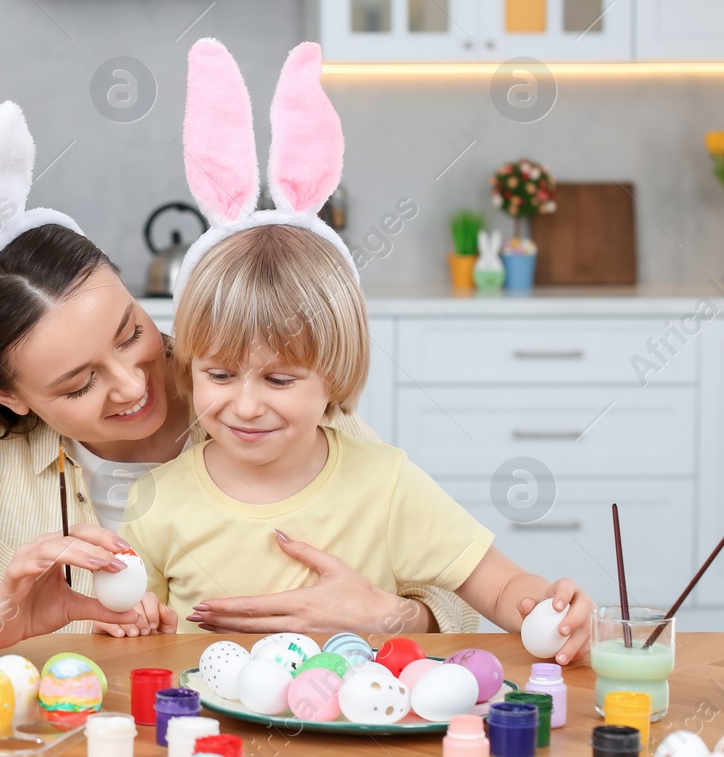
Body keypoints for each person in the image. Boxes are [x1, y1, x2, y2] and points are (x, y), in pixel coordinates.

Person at [0, 103, 470, 653]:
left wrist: (392, 618)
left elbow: (457, 596)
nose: (131, 383)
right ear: (3, 394)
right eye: (77, 383)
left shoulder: (266, 402)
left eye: (130, 332)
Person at [124, 39, 593, 665]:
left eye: (280, 379)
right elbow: (135, 649)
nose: (245, 404)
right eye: (219, 373)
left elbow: (503, 587)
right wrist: (136, 626)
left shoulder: (386, 483)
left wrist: (552, 608)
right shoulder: (156, 500)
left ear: (334, 376)